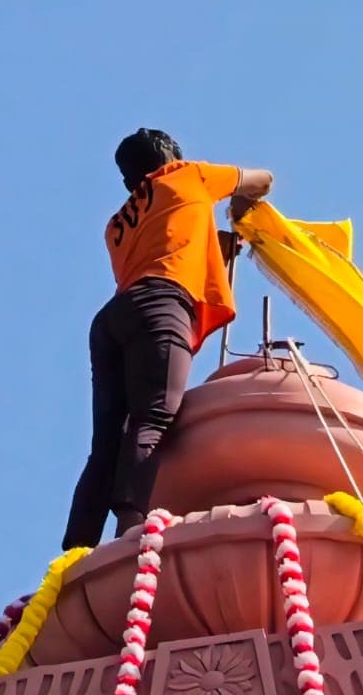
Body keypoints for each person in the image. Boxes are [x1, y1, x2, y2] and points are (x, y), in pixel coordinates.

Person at [61, 128, 274, 550]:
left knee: (105, 443)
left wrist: (215, 243)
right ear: (168, 153)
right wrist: (240, 207)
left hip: (114, 317)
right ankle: (131, 530)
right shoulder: (187, 175)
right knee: (153, 417)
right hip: (162, 304)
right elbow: (262, 179)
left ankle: (75, 549)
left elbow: (168, 241)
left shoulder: (117, 225)